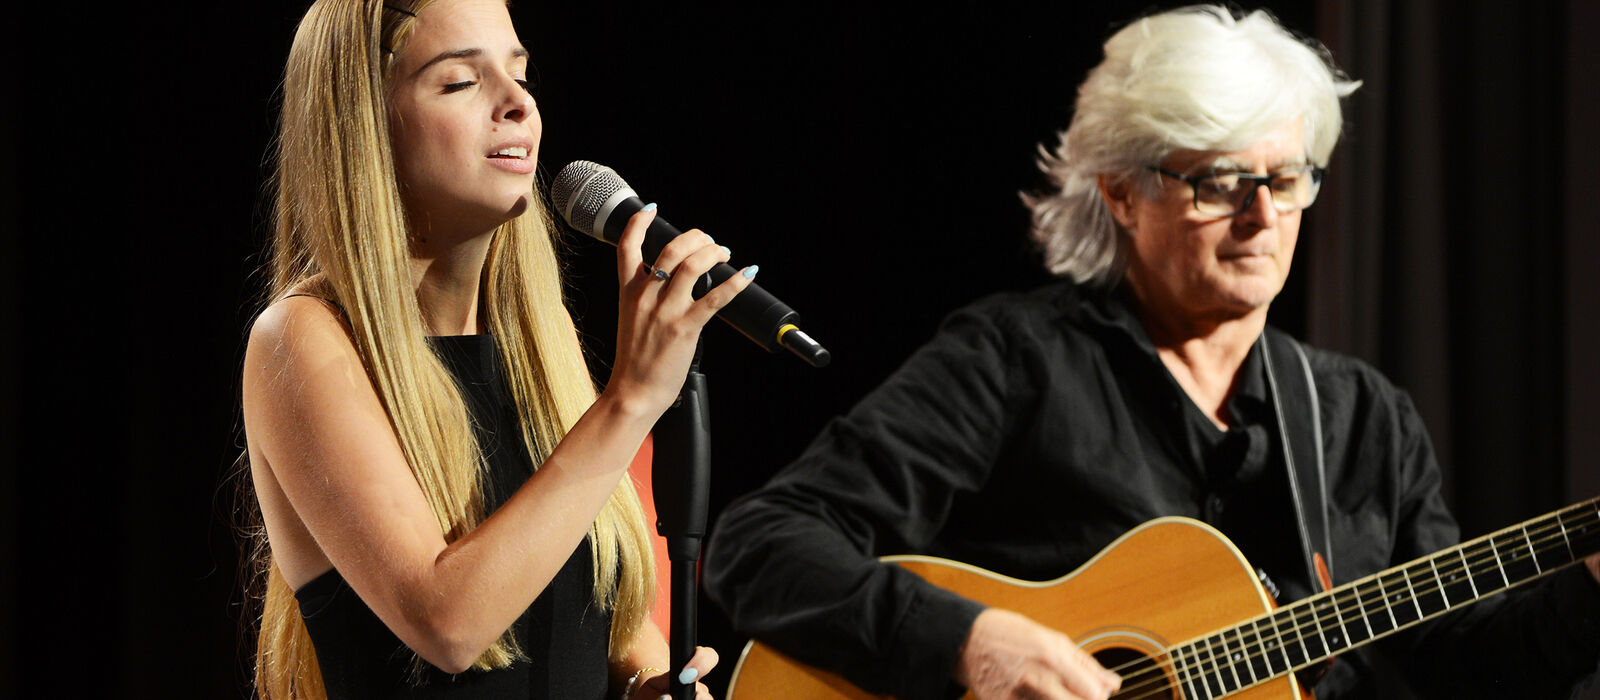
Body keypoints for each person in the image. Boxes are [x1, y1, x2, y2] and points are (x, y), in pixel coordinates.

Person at [703, 5, 1600, 699]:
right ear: (1122, 194)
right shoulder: (1016, 362)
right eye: (1220, 182)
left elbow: (1461, 668)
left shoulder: (1362, 420)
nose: (1262, 216)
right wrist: (969, 643)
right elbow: (758, 543)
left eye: (1287, 180)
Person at [240, 0, 755, 697]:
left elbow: (618, 632)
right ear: (364, 127)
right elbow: (447, 624)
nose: (518, 104)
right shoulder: (302, 340)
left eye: (520, 72)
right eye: (460, 82)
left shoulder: (541, 346)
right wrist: (630, 402)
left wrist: (648, 687)